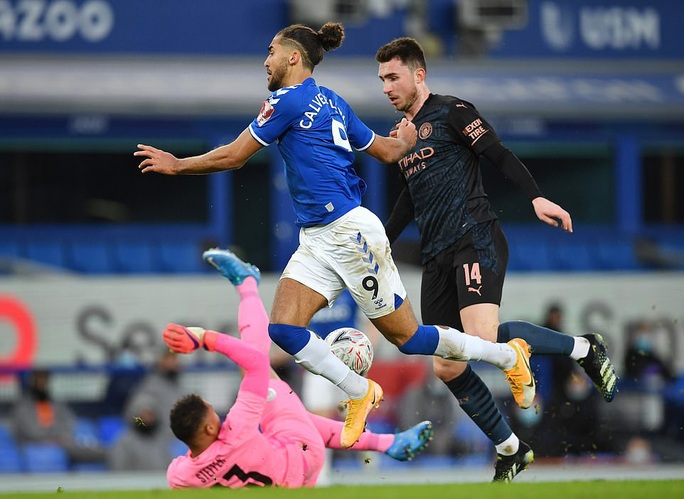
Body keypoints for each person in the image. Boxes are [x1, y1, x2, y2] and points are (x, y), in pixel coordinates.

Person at [135, 22, 535, 451]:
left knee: (409, 339)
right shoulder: (333, 102)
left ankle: (509, 355)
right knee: (284, 329)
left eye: (271, 51)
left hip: (349, 233)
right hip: (316, 238)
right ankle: (360, 391)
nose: (265, 60)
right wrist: (402, 142)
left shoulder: (285, 101)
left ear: (293, 57)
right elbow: (383, 151)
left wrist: (178, 166)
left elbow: (234, 156)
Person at [374, 37, 620, 481]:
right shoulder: (404, 137)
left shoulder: (453, 111)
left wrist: (536, 197)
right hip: (435, 257)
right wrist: (381, 242)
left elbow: (498, 154)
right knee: (447, 363)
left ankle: (585, 348)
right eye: (382, 80)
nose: (387, 87)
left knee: (480, 335)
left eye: (393, 77)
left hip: (474, 237)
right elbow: (410, 199)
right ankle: (511, 447)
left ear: (419, 74)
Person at [162, 249, 434, 488]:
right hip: (302, 454)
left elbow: (188, 467)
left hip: (293, 482)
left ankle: (386, 443)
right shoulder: (237, 429)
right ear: (209, 428)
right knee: (256, 364)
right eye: (213, 414)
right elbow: (254, 363)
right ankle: (246, 283)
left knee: (293, 414)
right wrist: (204, 338)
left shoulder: (181, 476)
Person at [108, 392, 172, 471]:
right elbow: (119, 471)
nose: (147, 419)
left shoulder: (161, 441)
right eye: (144, 415)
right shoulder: (124, 443)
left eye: (151, 415)